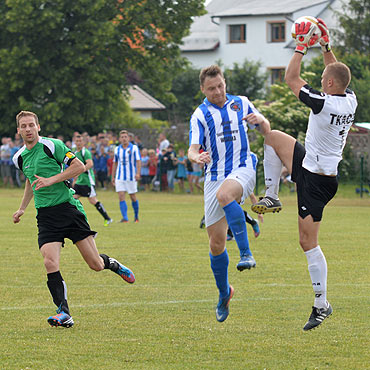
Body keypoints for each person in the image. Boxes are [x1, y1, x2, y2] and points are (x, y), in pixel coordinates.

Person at [251, 19, 358, 331]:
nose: (322, 77)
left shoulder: (323, 103)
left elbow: (291, 77)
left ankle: (322, 304)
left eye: (323, 77)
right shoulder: (348, 98)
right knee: (271, 137)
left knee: (307, 242)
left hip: (318, 181)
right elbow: (336, 71)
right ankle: (271, 195)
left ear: (327, 85)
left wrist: (301, 45)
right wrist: (324, 45)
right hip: (311, 163)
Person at [12, 111, 135, 328]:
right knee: (49, 261)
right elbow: (31, 182)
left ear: (38, 127)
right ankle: (64, 312)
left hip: (69, 210)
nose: (28, 129)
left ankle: (112, 263)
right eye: (24, 126)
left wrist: (52, 180)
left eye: (32, 125)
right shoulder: (19, 157)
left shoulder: (53, 146)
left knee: (95, 264)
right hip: (46, 216)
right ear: (19, 131)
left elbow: (78, 166)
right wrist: (22, 208)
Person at [188, 65, 270, 322]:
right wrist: (197, 156)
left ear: (225, 83)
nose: (217, 91)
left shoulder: (242, 103)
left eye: (220, 86)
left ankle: (246, 253)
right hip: (213, 176)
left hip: (243, 167)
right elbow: (191, 149)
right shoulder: (200, 115)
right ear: (203, 89)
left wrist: (262, 121)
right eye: (211, 88)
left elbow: (266, 129)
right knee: (215, 244)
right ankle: (224, 293)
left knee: (225, 196)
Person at [72, 135, 113, 226]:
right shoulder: (75, 153)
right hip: (79, 181)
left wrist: (81, 170)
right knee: (72, 199)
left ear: (83, 143)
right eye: (77, 141)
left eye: (80, 141)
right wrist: (75, 178)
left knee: (93, 200)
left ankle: (107, 218)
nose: (78, 143)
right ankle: (75, 220)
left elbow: (90, 164)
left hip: (87, 181)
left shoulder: (85, 152)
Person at [112, 130, 141, 223]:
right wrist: (113, 176)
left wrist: (138, 173)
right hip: (120, 177)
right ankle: (125, 218)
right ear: (120, 139)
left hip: (131, 177)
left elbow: (138, 161)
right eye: (122, 137)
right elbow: (115, 163)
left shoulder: (134, 148)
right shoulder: (117, 149)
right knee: (121, 195)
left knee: (132, 196)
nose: (124, 139)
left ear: (128, 138)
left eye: (125, 137)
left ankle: (136, 217)